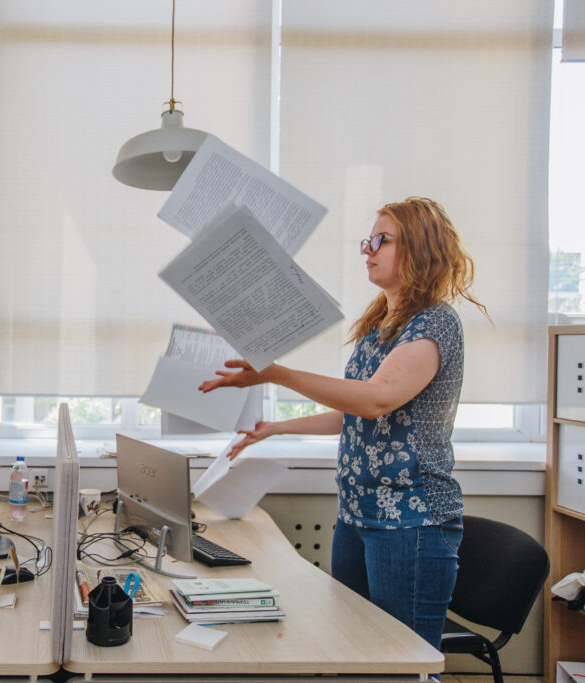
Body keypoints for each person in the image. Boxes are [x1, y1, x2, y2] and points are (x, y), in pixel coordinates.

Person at [199, 197, 488, 651]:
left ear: (420, 246)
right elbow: (353, 413)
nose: (367, 249)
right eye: (366, 241)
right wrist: (276, 428)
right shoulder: (381, 325)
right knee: (356, 650)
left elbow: (376, 400)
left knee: (402, 662)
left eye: (381, 240)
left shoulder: (435, 324)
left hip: (408, 522)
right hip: (356, 514)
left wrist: (278, 373)